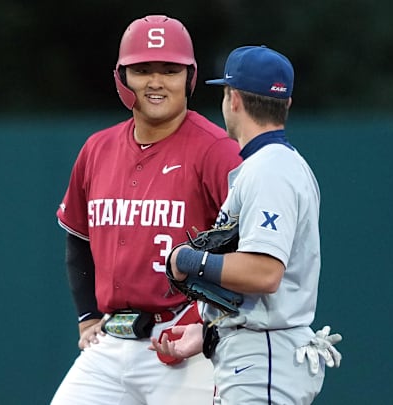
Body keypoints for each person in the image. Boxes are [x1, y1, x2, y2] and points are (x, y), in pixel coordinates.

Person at [50, 15, 242, 405]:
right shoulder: (97, 149)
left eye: (170, 70)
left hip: (184, 340)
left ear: (190, 77)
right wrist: (87, 315)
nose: (156, 82)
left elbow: (252, 247)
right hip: (112, 338)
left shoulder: (217, 150)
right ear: (122, 77)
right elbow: (77, 239)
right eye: (142, 70)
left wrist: (206, 324)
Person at [149, 45, 341, 404]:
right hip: (254, 355)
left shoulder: (271, 169)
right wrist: (207, 331)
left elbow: (265, 273)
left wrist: (191, 261)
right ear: (286, 105)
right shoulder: (270, 166)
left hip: (264, 358)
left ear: (233, 99)